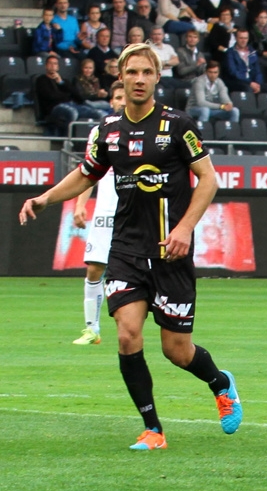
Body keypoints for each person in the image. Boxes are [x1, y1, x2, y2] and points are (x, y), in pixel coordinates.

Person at [19, 43, 243, 452]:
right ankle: (153, 429)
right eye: (132, 72)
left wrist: (186, 228)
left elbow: (208, 180)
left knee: (177, 350)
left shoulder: (179, 126)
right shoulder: (106, 131)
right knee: (127, 336)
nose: (139, 79)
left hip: (170, 252)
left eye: (147, 72)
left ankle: (221, 383)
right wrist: (44, 198)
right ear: (120, 77)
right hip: (125, 250)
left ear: (157, 78)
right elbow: (85, 175)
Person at [68, 82, 127, 345]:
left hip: (136, 213)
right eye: (117, 97)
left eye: (125, 96)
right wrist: (80, 205)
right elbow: (89, 173)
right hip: (105, 211)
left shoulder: (148, 131)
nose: (122, 101)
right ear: (111, 101)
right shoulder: (100, 132)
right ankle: (92, 329)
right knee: (94, 269)